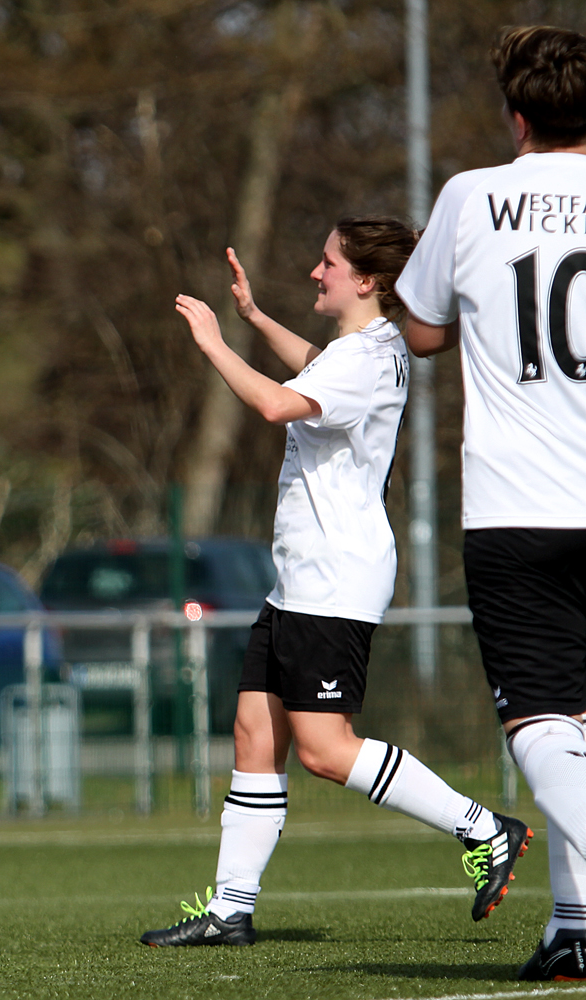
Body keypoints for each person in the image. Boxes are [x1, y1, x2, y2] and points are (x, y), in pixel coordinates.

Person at [140, 219, 530, 948]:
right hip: (300, 581)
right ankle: (230, 910)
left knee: (323, 748)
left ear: (368, 281)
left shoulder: (367, 358)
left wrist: (217, 343)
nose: (315, 272)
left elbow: (277, 402)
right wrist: (255, 318)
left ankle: (484, 826)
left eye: (327, 263)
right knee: (256, 733)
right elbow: (317, 365)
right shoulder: (365, 350)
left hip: (335, 579)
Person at [396, 24, 586, 981]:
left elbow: (424, 330)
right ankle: (574, 926)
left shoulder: (471, 195)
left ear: (517, 116)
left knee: (545, 725)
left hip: (519, 504)